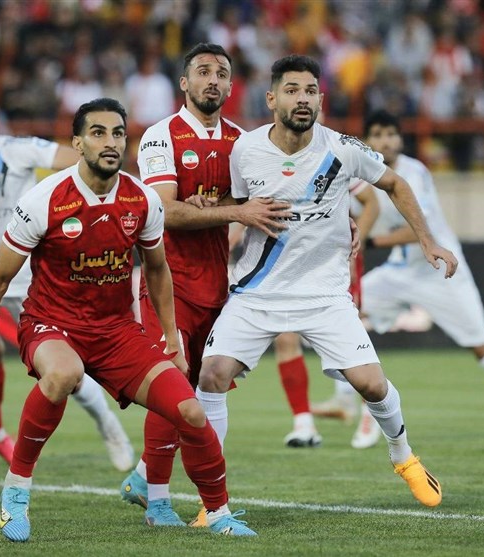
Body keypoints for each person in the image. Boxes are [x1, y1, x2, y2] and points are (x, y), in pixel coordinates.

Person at [0, 98, 257, 541]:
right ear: (77, 143)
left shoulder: (142, 199)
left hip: (115, 331)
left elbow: (157, 269)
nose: (110, 142)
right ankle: (16, 490)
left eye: (117, 133)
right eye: (98, 133)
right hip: (53, 324)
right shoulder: (44, 199)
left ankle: (219, 513)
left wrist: (171, 339)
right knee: (63, 374)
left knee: (188, 407)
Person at [196, 55, 459, 509]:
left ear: (321, 98)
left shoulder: (342, 147)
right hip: (257, 292)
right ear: (271, 98)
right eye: (292, 90)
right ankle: (212, 503)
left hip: (324, 294)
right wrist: (216, 208)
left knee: (372, 385)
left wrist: (427, 241)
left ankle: (403, 455)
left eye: (311, 91)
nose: (303, 99)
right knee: (212, 375)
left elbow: (395, 184)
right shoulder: (245, 149)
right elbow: (237, 203)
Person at [119, 43, 290, 528]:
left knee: (201, 393)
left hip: (217, 287)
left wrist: (342, 223)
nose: (212, 80)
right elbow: (165, 211)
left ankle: (144, 479)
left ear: (231, 86)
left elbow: (266, 200)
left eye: (221, 73)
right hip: (167, 286)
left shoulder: (241, 141)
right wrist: (231, 210)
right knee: (169, 388)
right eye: (203, 71)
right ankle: (157, 502)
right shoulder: (161, 136)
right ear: (184, 83)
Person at [0, 82, 134, 472]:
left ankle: (107, 422)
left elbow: (72, 156)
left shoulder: (17, 150)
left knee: (67, 368)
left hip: (35, 272)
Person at [316, 110, 484, 445]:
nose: (385, 141)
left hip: (440, 272)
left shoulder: (413, 172)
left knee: (481, 345)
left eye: (391, 134)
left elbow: (419, 231)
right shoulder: (363, 173)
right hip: (398, 271)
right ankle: (345, 400)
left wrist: (369, 243)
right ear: (367, 141)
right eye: (377, 135)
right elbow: (352, 216)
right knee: (341, 310)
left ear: (400, 139)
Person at [269, 177, 379, 449]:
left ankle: (372, 410)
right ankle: (303, 425)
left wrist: (354, 248)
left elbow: (372, 203)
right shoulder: (270, 163)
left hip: (333, 260)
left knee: (346, 341)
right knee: (284, 336)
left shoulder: (335, 162)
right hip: (290, 259)